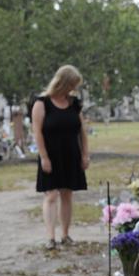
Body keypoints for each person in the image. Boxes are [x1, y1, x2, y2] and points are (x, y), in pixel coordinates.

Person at [32, 65, 89, 250]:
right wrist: (44, 157)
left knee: (67, 194)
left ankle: (65, 234)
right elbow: (37, 132)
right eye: (72, 84)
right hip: (50, 154)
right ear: (63, 82)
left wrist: (85, 154)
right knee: (51, 195)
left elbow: (82, 132)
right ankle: (51, 237)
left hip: (71, 153)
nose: (74, 88)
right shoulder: (42, 103)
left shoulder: (74, 104)